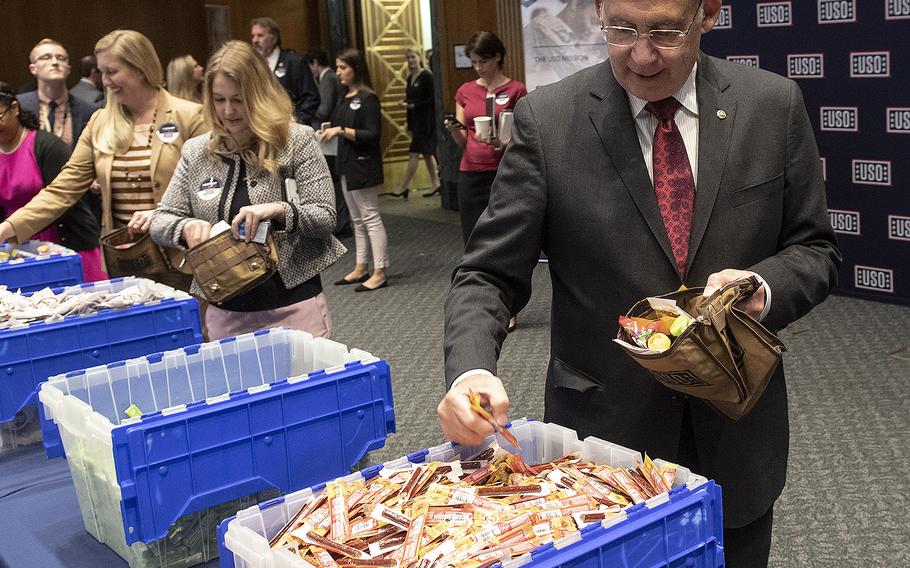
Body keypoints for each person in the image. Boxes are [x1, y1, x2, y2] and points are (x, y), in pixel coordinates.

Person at [436, 1, 842, 568]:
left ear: (709, 14)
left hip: (736, 433)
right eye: (621, 29)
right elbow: (486, 273)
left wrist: (763, 286)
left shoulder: (771, 106)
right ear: (598, 10)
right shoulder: (550, 120)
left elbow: (815, 249)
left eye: (667, 31)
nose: (643, 54)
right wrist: (472, 369)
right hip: (606, 445)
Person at [151, 41, 345, 340]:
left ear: (260, 95)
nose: (228, 111)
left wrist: (280, 211)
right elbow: (161, 219)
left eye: (239, 100)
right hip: (226, 311)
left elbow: (325, 216)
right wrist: (185, 226)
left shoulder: (296, 141)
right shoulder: (196, 151)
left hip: (293, 305)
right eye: (219, 99)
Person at [0, 29, 206, 292]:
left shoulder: (190, 117)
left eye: (112, 72)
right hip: (127, 262)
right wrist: (9, 228)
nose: (104, 81)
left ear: (140, 69)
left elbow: (207, 189)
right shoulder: (100, 122)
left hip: (184, 259)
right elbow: (63, 188)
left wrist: (162, 215)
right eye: (102, 72)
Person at [0, 82, 104, 281]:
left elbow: (64, 198)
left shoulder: (47, 146)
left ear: (14, 108)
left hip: (64, 244)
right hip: (12, 244)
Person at [443, 31, 527, 245]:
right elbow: (463, 141)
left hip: (503, 170)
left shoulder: (516, 89)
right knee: (472, 235)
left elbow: (523, 132)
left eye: (484, 61)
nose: (479, 67)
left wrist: (503, 143)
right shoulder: (465, 91)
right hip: (471, 171)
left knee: (503, 234)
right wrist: (454, 129)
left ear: (498, 57)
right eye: (474, 62)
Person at [318, 48, 389, 293]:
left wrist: (340, 131)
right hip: (346, 163)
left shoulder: (369, 98)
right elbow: (339, 124)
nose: (338, 72)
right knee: (357, 220)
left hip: (363, 163)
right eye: (337, 68)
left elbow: (372, 134)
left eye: (343, 67)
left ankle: (379, 271)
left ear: (356, 68)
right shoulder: (345, 97)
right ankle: (361, 266)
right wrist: (329, 131)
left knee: (370, 217)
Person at [17, 39, 101, 149]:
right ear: (33, 69)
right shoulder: (18, 106)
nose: (55, 62)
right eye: (46, 57)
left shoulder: (90, 111)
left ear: (68, 69)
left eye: (61, 58)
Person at [304, 47, 351, 239]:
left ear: (315, 63)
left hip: (329, 135)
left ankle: (341, 222)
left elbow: (325, 106)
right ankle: (342, 221)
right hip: (330, 135)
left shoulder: (328, 78)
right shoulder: (329, 78)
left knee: (334, 179)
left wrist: (308, 123)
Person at [250, 17, 320, 126]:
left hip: (291, 129)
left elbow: (311, 98)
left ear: (273, 37)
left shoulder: (294, 62)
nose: (255, 40)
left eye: (260, 35)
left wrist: (296, 121)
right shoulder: (254, 65)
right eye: (253, 36)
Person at [390, 47, 440, 199]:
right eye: (408, 58)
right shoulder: (410, 77)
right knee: (426, 154)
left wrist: (412, 105)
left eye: (413, 57)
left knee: (413, 153)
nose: (411, 60)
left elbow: (432, 100)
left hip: (425, 121)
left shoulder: (427, 76)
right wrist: (406, 102)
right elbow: (413, 97)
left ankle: (404, 186)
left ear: (419, 57)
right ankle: (436, 183)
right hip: (415, 120)